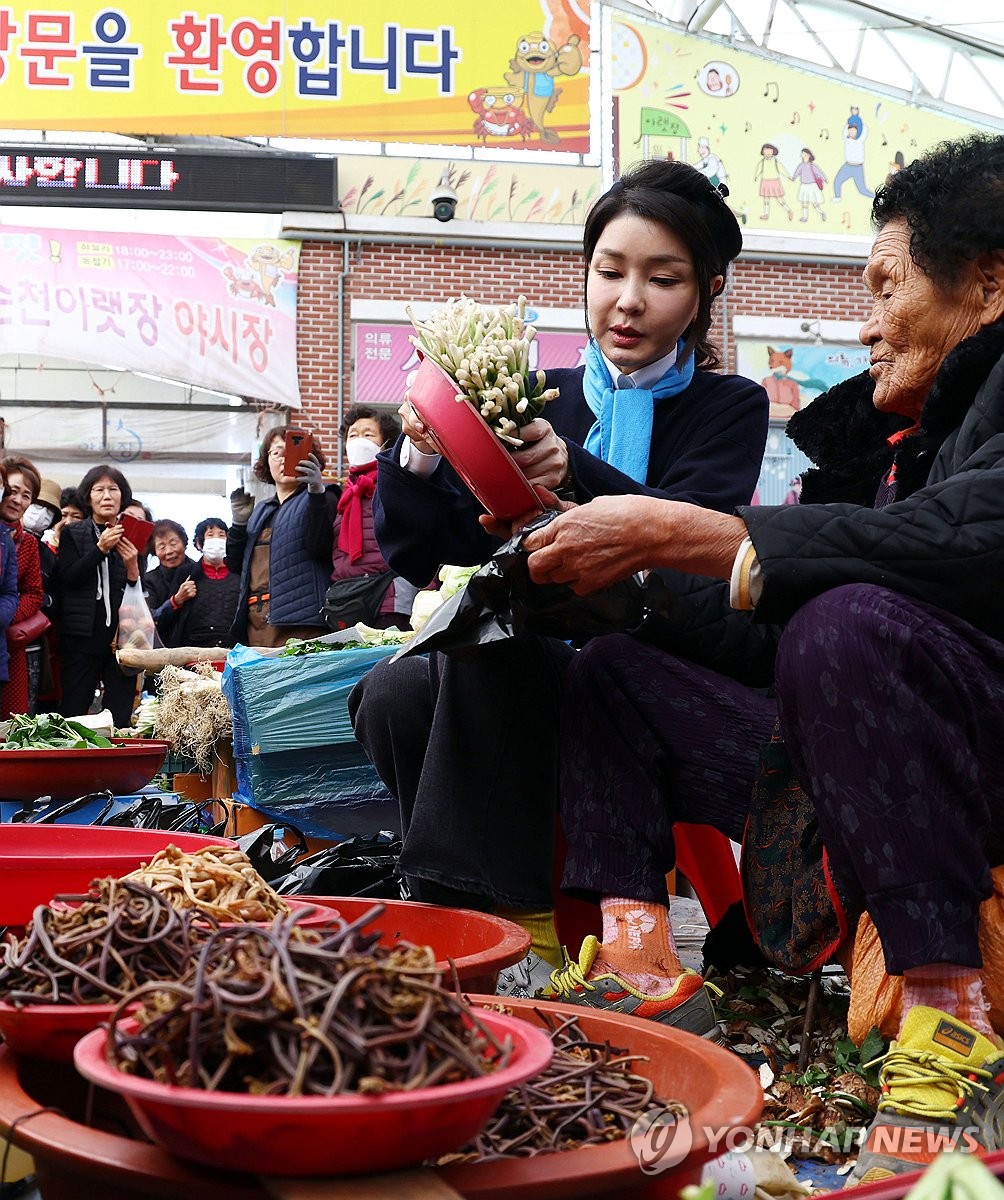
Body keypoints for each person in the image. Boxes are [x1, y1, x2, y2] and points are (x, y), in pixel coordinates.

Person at [518, 133, 1004, 1183]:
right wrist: (630, 578)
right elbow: (765, 630)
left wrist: (678, 532)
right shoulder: (875, 447)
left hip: (976, 765)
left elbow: (975, 533)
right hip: (855, 769)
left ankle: (949, 1024)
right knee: (614, 670)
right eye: (607, 270)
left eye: (884, 287)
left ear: (986, 284)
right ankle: (642, 966)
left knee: (849, 622)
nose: (862, 325)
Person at [350, 159, 769, 997]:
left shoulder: (732, 406)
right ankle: (495, 914)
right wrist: (424, 453)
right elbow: (427, 555)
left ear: (705, 292)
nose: (628, 300)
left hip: (646, 662)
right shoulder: (543, 395)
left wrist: (573, 472)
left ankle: (470, 924)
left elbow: (680, 533)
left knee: (497, 645)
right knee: (390, 694)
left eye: (663, 278)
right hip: (532, 654)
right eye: (610, 272)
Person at [227, 427, 339, 647]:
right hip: (256, 621)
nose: (283, 459)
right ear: (266, 462)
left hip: (301, 623)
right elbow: (234, 564)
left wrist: (316, 492)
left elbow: (320, 547)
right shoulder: (261, 510)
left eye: (292, 451)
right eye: (276, 453)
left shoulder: (324, 496)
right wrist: (239, 524)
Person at [58, 464, 141, 727]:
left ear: (122, 496)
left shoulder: (131, 534)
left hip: (121, 639)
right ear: (88, 497)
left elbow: (137, 591)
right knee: (74, 712)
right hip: (82, 637)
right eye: (99, 489)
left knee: (119, 715)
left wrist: (133, 570)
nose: (107, 496)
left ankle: (115, 766)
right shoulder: (74, 532)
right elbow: (69, 578)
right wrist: (100, 549)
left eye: (113, 489)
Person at [327, 405, 416, 629]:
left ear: (385, 442)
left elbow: (418, 537)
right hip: (350, 600)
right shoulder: (345, 495)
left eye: (368, 434)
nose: (359, 441)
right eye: (353, 435)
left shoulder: (398, 483)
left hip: (391, 598)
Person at [0, 456, 45, 718]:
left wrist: (6, 617)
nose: (18, 500)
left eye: (26, 495)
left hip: (9, 642)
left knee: (12, 719)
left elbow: (33, 592)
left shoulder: (27, 542)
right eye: (13, 491)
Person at [156, 518, 240, 649]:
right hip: (194, 649)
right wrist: (178, 599)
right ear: (199, 544)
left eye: (221, 535)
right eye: (210, 535)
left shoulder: (239, 573)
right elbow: (167, 620)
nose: (216, 540)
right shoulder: (186, 574)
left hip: (233, 648)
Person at [143, 519, 197, 632]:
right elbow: (150, 619)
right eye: (161, 547)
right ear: (155, 552)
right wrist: (175, 601)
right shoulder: (149, 580)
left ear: (184, 544)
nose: (169, 551)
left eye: (173, 544)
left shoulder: (199, 571)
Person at [754, 143, 793, 222]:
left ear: (773, 152)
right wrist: (756, 176)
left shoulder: (775, 161)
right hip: (765, 181)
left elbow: (782, 168)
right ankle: (766, 214)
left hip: (774, 181)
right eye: (766, 150)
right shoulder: (762, 161)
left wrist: (788, 176)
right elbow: (759, 169)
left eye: (769, 150)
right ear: (763, 151)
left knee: (780, 199)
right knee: (766, 200)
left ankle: (789, 210)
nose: (767, 152)